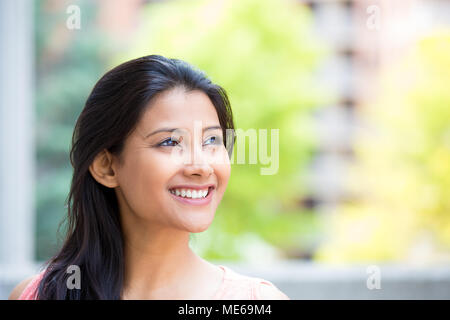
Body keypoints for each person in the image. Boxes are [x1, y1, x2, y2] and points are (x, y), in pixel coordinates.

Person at [9, 55, 290, 300]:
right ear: (107, 167)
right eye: (169, 142)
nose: (201, 167)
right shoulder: (39, 294)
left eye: (212, 140)